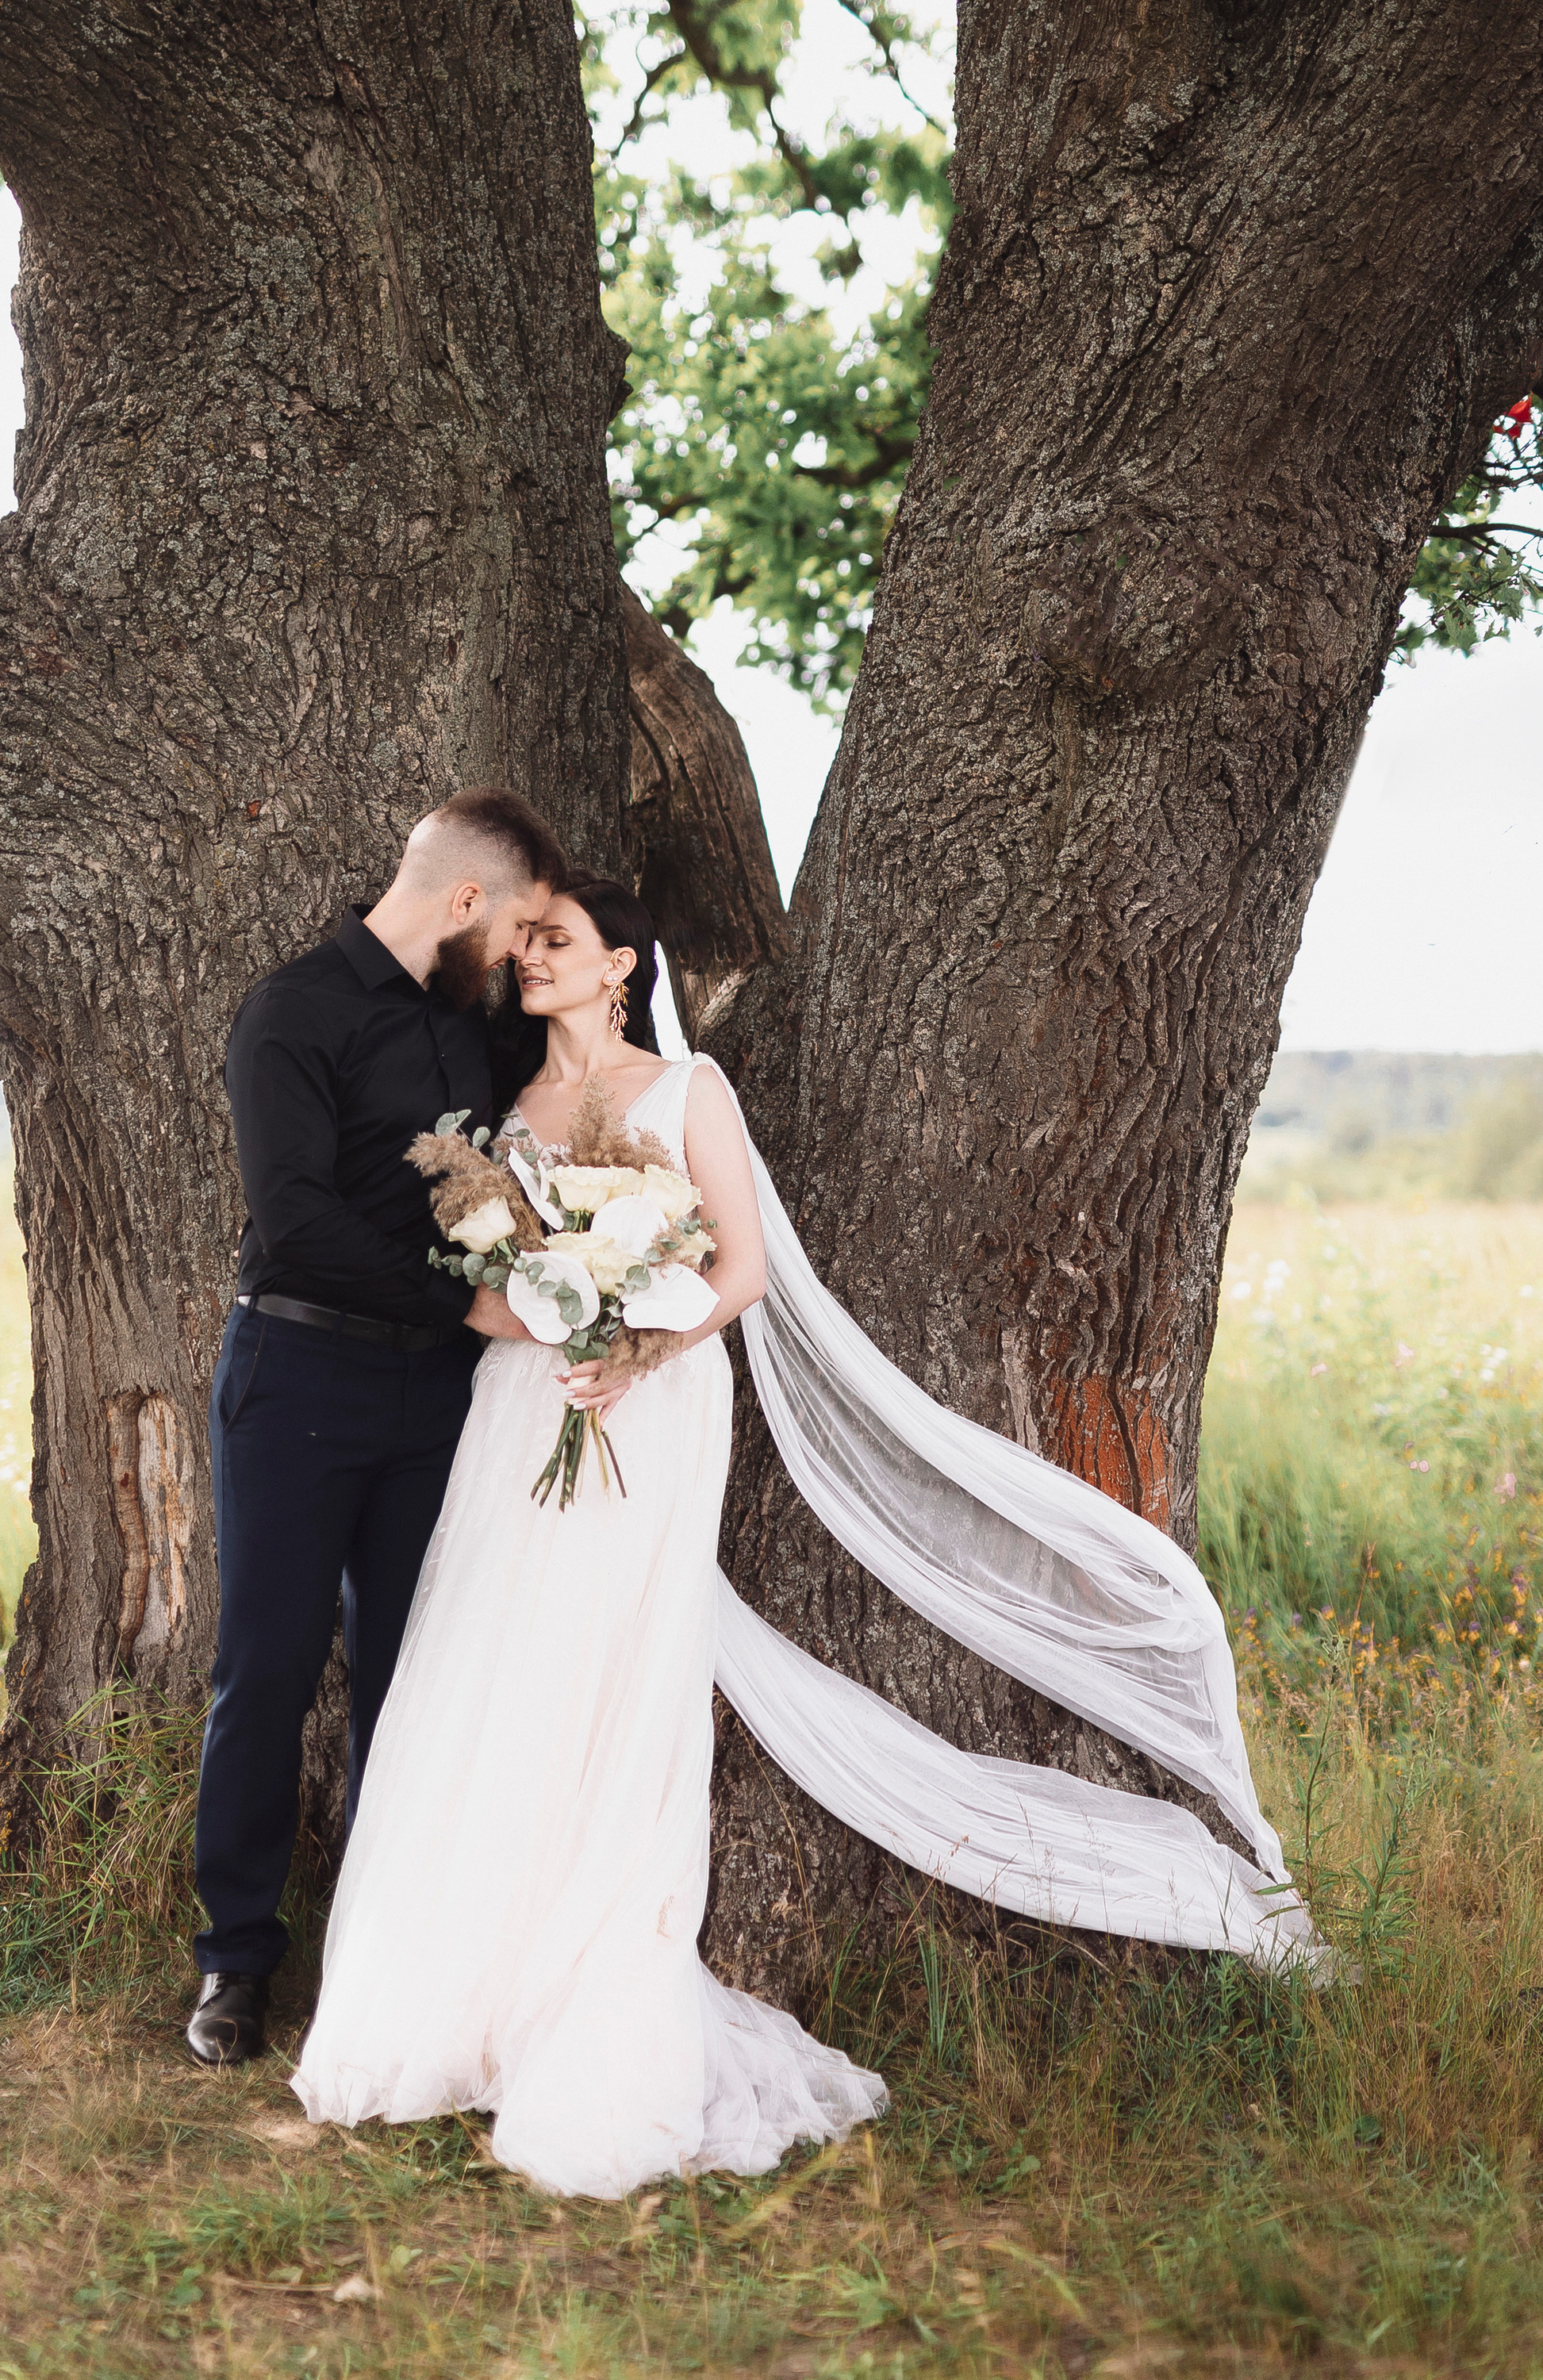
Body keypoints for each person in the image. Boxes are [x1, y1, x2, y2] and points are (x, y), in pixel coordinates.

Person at [292, 877, 1318, 2198]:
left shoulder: (688, 1089)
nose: (528, 958)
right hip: (526, 1404)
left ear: (620, 965)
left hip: (656, 1404)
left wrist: (633, 1344)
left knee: (617, 1670)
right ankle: (463, 1990)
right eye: (521, 942)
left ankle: (589, 1984)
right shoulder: (504, 1106)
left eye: (557, 941)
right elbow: (481, 1282)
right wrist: (550, 1328)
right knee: (494, 1658)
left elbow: (742, 1271)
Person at [186, 789, 566, 2070]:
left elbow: (579, 1073)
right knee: (270, 1671)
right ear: (464, 900)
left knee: (415, 1677)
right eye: (514, 928)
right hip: (297, 1376)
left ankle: (387, 1950)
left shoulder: (473, 1031)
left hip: (439, 1400)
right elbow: (295, 1220)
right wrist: (470, 1303)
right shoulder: (291, 1011)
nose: (519, 958)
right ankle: (235, 1961)